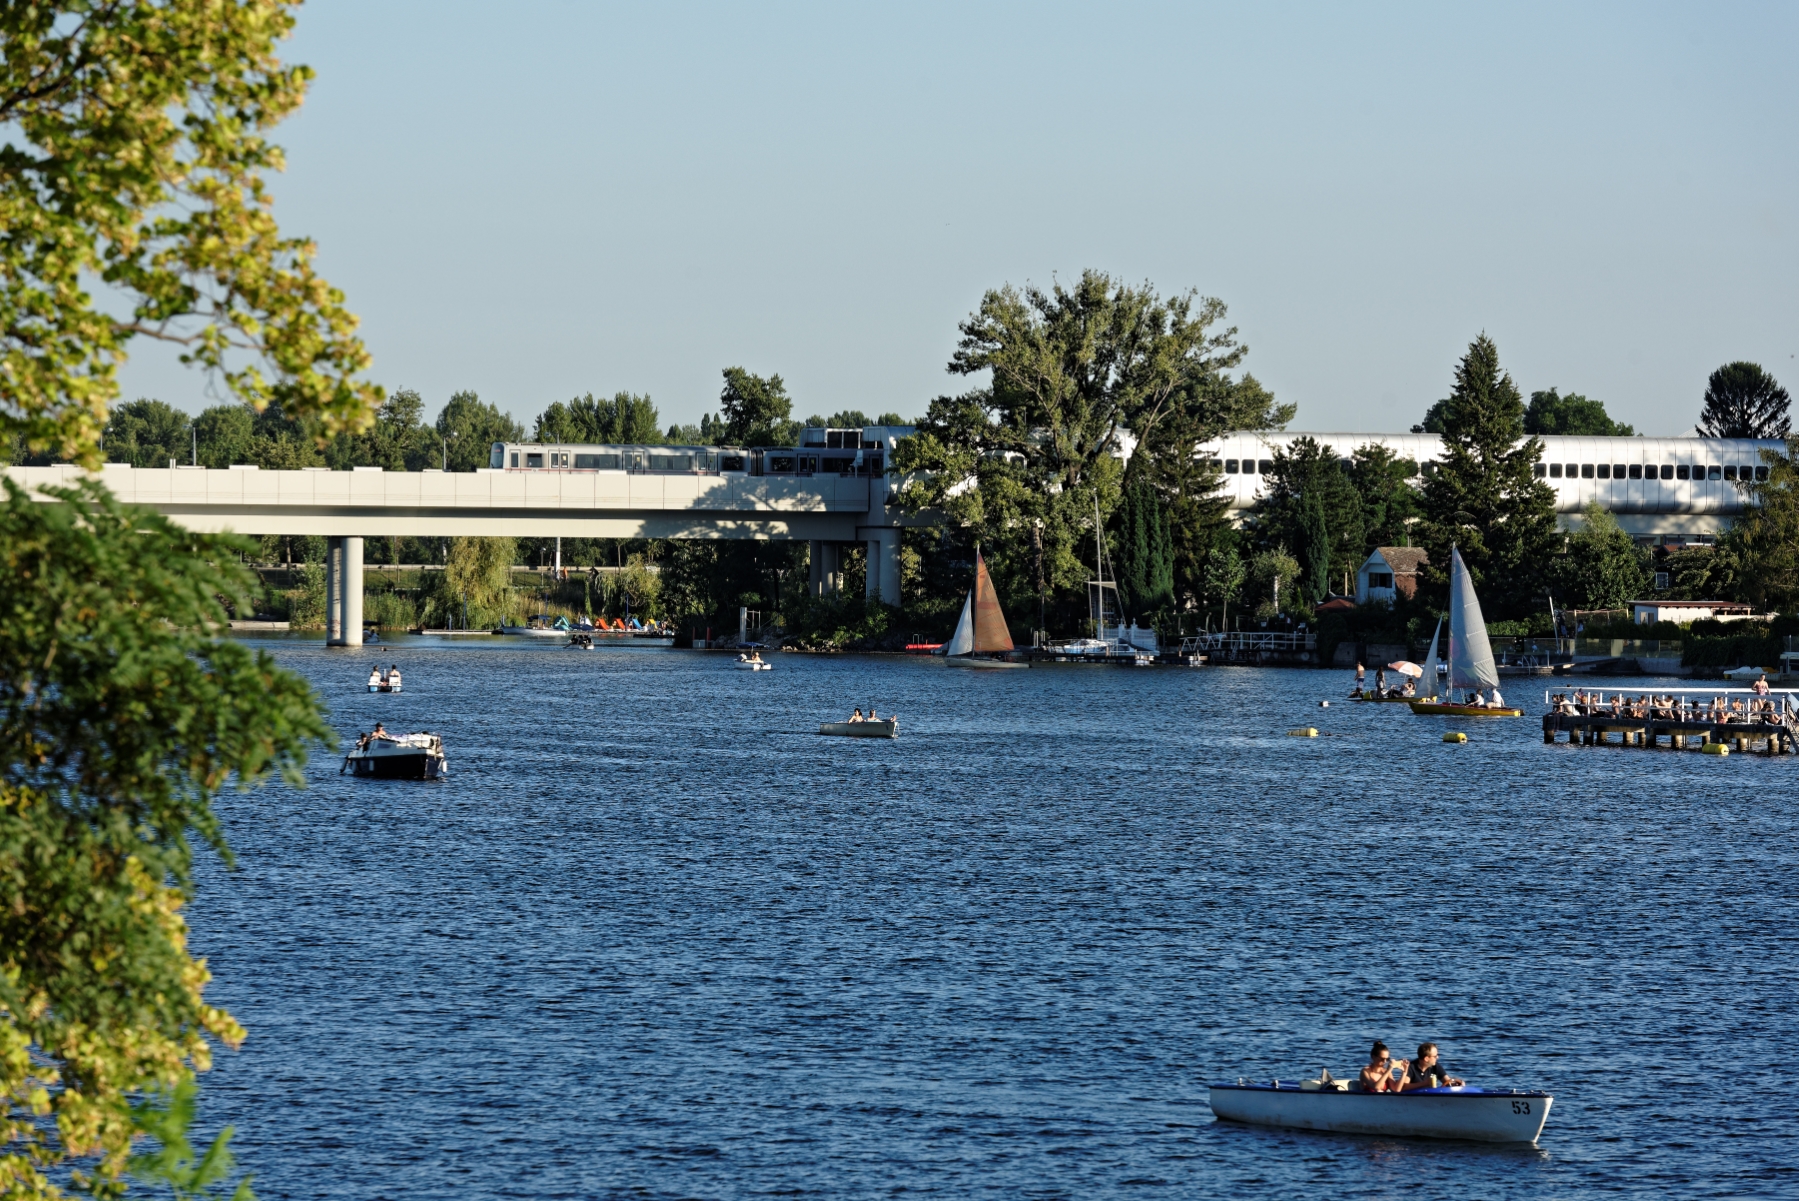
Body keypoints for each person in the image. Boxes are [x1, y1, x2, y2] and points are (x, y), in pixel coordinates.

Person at [1399, 1042, 1464, 1091]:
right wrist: (1423, 1084)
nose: (1437, 1057)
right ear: (1426, 1058)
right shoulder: (1410, 1067)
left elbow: (1447, 1081)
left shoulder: (1436, 1066)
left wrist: (1457, 1083)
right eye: (1435, 1056)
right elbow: (1404, 1087)